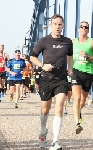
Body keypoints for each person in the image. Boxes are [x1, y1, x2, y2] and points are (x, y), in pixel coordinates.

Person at [30, 14, 73, 149]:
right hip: (46, 79)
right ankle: (43, 131)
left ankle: (55, 141)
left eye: (60, 24)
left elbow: (70, 55)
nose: (58, 27)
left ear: (63, 26)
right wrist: (43, 65)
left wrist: (70, 68)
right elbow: (32, 56)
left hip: (61, 79)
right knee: (45, 109)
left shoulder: (67, 42)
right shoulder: (44, 41)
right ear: (51, 25)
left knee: (60, 106)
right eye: (55, 24)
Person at [71, 21, 93, 134]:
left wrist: (88, 56)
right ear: (78, 29)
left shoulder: (91, 42)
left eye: (86, 27)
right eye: (82, 27)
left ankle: (79, 112)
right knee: (77, 98)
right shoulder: (73, 42)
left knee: (83, 99)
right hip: (76, 72)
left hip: (88, 73)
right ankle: (77, 124)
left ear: (88, 30)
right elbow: (68, 56)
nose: (84, 28)